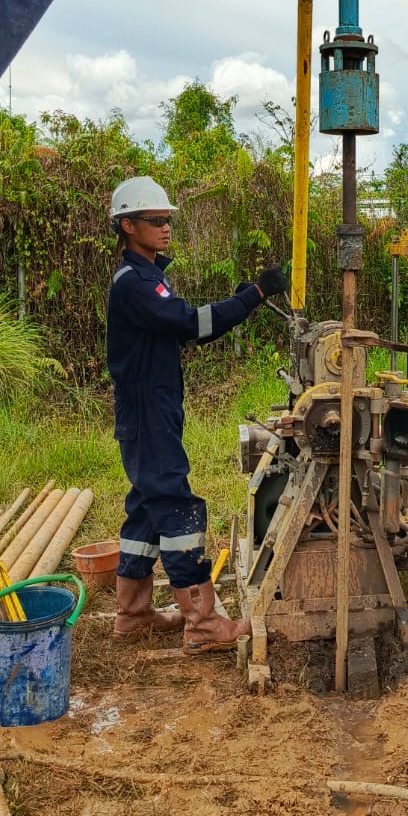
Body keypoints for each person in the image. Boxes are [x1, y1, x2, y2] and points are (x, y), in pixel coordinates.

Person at [106, 176, 289, 654]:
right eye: (155, 220)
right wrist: (254, 295)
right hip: (149, 411)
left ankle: (134, 613)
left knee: (146, 506)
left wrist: (239, 299)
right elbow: (191, 324)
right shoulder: (137, 283)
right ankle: (204, 625)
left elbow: (179, 320)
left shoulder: (147, 276)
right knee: (174, 505)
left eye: (168, 219)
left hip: (151, 406)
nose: (166, 227)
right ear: (127, 225)